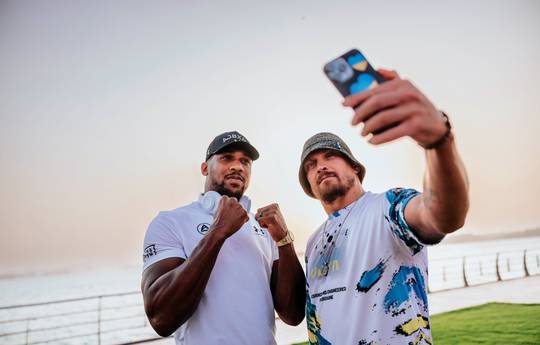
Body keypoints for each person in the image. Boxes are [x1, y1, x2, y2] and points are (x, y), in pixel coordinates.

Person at [299, 69, 469, 344]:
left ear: (355, 167)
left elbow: (442, 215)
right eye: (311, 165)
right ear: (308, 183)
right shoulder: (313, 242)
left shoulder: (388, 208)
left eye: (330, 156)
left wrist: (438, 143)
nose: (321, 166)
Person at [141, 131, 305, 345]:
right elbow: (161, 319)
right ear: (205, 168)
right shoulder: (170, 222)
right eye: (227, 158)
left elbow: (293, 315)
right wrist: (218, 231)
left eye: (245, 161)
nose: (238, 166)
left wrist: (284, 240)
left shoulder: (264, 227)